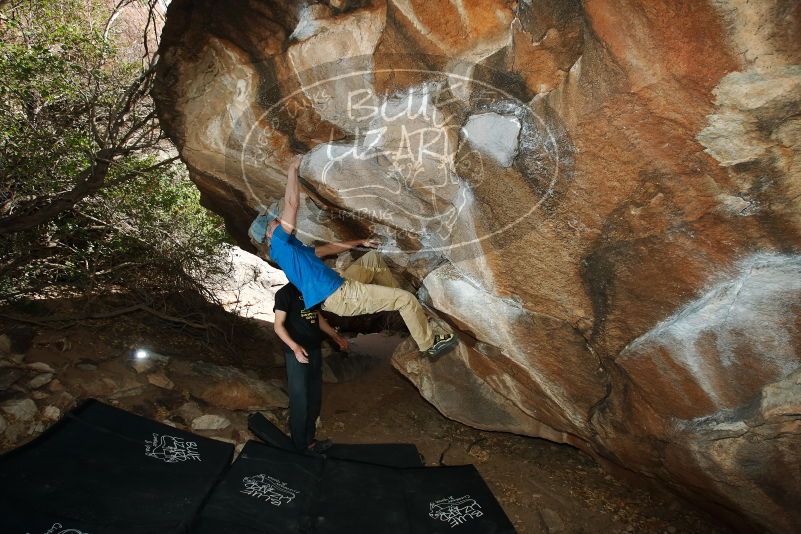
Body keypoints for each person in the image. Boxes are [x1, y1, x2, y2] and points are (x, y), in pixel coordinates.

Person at [250, 155, 457, 359]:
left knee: (372, 260)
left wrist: (359, 242)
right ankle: (428, 344)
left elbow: (326, 249)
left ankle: (399, 304)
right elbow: (292, 204)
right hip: (341, 295)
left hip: (342, 286)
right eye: (273, 222)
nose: (277, 220)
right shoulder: (278, 244)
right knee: (406, 299)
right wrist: (292, 169)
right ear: (268, 233)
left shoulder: (292, 249)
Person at [273, 282, 348, 453]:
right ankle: (299, 447)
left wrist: (335, 336)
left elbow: (317, 316)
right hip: (296, 354)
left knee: (315, 397)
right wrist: (295, 347)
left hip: (314, 351)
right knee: (300, 400)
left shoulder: (309, 288)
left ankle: (309, 441)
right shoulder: (284, 293)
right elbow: (278, 325)